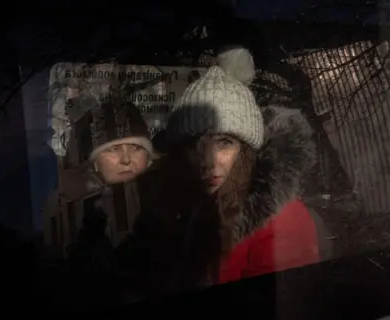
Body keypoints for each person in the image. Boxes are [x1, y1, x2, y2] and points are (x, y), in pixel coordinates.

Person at [117, 45, 322, 297]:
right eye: (195, 146)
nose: (209, 161)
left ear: (247, 149)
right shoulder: (189, 210)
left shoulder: (280, 220)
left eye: (224, 142)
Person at [59, 99, 154, 201]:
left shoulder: (154, 186)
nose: (126, 160)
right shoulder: (70, 190)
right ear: (95, 162)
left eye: (135, 148)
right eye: (113, 149)